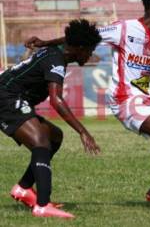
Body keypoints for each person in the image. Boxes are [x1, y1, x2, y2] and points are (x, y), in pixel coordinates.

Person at [25, 0, 150, 210]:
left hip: (146, 100)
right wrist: (45, 43)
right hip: (124, 100)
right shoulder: (125, 28)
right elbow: (83, 37)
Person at [0, 19, 101, 218]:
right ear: (79, 48)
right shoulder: (56, 59)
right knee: (41, 142)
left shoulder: (61, 49)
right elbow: (56, 100)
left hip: (12, 96)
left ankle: (23, 188)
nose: (90, 56)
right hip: (5, 97)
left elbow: (66, 39)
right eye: (89, 50)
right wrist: (83, 131)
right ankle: (42, 206)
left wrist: (45, 42)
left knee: (54, 136)